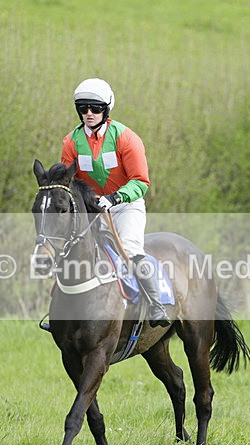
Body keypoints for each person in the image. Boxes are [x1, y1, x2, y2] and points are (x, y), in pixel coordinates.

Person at [60, 78, 171, 327]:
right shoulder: (71, 142)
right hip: (92, 209)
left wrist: (114, 198)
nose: (89, 113)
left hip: (125, 206)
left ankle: (156, 305)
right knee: (72, 250)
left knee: (130, 250)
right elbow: (69, 182)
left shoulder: (126, 138)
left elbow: (140, 181)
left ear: (106, 109)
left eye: (95, 108)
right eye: (83, 108)